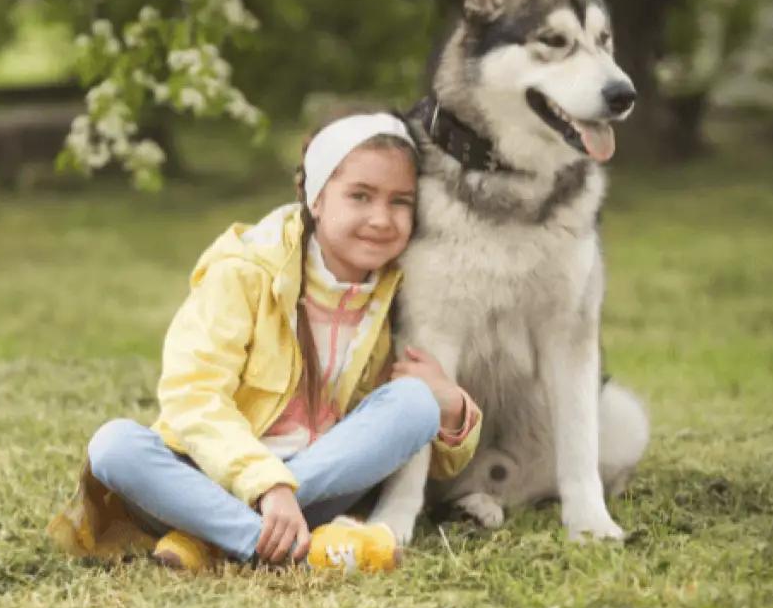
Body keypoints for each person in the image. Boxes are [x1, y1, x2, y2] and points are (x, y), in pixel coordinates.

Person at [46, 106, 483, 574]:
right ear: (317, 198)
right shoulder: (245, 270)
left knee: (416, 403)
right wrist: (265, 485)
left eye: (401, 201)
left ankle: (215, 537)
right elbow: (191, 397)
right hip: (209, 477)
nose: (381, 217)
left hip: (314, 486)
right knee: (114, 446)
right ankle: (298, 550)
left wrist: (452, 410)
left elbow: (409, 445)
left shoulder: (401, 287)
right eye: (360, 195)